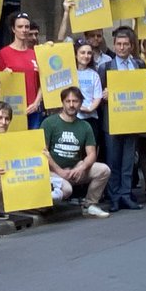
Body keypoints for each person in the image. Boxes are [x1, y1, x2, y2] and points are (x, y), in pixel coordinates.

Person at [97, 27, 146, 211]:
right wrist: (103, 95)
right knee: (113, 160)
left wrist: (145, 96)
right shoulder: (105, 67)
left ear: (131, 46)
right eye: (119, 44)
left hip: (132, 117)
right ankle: (114, 197)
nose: (122, 48)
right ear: (114, 46)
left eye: (125, 44)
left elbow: (143, 89)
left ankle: (126, 194)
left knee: (129, 160)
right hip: (112, 120)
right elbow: (98, 95)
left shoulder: (139, 65)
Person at [41, 86, 111, 217]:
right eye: (68, 101)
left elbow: (92, 154)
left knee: (104, 170)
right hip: (53, 172)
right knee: (67, 189)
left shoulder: (85, 126)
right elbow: (43, 153)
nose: (71, 105)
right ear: (62, 103)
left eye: (75, 101)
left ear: (81, 103)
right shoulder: (49, 123)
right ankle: (41, 206)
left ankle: (90, 205)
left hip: (74, 171)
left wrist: (81, 168)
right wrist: (59, 171)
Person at [0, 12, 44, 129]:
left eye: (26, 27)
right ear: (13, 29)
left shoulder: (35, 53)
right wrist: (4, 76)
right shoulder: (4, 53)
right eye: (20, 27)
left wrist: (37, 103)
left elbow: (43, 81)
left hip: (33, 109)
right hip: (13, 110)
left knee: (32, 145)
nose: (24, 30)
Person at [72, 39, 105, 153]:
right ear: (75, 55)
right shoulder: (68, 73)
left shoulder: (94, 75)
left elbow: (98, 96)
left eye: (89, 53)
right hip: (72, 117)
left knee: (90, 152)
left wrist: (90, 108)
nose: (86, 56)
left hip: (90, 119)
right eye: (82, 52)